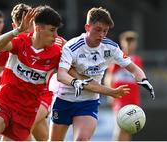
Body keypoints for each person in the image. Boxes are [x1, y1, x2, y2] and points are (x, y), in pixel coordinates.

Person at [49, 7, 155, 141]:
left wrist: (143, 79)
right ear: (87, 27)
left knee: (81, 139)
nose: (102, 35)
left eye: (105, 31)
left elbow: (134, 68)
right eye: (98, 30)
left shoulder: (111, 47)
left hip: (88, 102)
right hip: (64, 99)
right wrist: (76, 82)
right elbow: (61, 75)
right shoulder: (72, 46)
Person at [0, 5, 62, 141]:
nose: (28, 28)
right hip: (9, 98)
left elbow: (71, 63)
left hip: (37, 99)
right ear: (15, 25)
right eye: (23, 24)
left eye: (30, 23)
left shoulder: (54, 45)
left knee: (40, 136)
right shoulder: (14, 44)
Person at [105, 31, 144, 141]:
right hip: (120, 98)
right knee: (121, 125)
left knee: (130, 127)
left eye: (132, 41)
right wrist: (110, 94)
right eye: (127, 41)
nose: (129, 44)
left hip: (133, 99)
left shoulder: (137, 59)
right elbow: (109, 77)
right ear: (122, 42)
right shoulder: (118, 58)